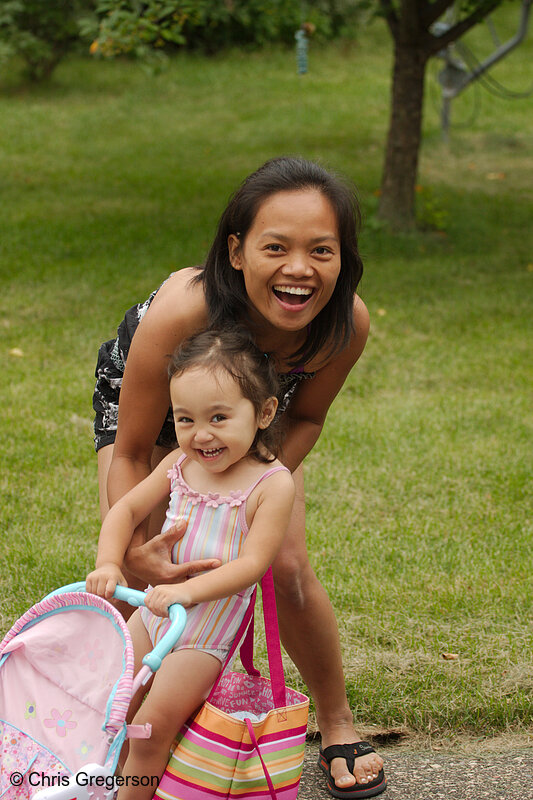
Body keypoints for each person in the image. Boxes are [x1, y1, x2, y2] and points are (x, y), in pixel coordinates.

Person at [93, 156, 386, 797]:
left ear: (344, 258)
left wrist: (255, 489)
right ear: (236, 251)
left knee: (284, 565)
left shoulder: (345, 325)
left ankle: (335, 719)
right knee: (139, 575)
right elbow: (136, 449)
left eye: (322, 250)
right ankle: (120, 730)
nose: (299, 269)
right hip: (164, 414)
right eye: (275, 247)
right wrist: (138, 552)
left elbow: (305, 417)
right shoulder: (180, 314)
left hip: (262, 422)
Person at [87, 328, 296, 800]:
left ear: (263, 413)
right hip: (151, 614)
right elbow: (125, 510)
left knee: (149, 729)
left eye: (219, 417)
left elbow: (253, 564)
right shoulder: (179, 464)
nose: (201, 435)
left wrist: (186, 592)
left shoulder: (270, 484)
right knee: (113, 707)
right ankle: (103, 785)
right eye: (185, 419)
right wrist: (109, 562)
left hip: (202, 634)